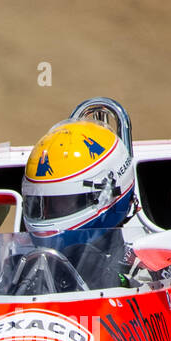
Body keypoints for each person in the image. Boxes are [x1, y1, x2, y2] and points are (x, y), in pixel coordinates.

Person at [14, 114, 140, 291]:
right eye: (38, 204)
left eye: (61, 203)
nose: (46, 215)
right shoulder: (19, 265)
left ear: (105, 194)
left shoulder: (144, 264)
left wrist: (112, 280)